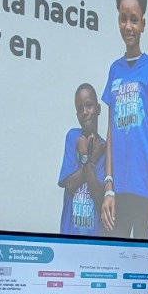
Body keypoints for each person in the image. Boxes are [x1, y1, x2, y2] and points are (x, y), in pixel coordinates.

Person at [99, 0, 148, 239]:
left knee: (142, 267)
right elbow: (110, 133)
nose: (128, 26)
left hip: (146, 189)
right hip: (118, 190)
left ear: (143, 24)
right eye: (122, 18)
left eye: (134, 19)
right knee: (113, 264)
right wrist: (108, 187)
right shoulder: (114, 70)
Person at [57, 83, 106, 236]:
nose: (85, 112)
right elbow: (70, 185)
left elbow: (99, 197)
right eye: (80, 109)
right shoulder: (73, 138)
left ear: (98, 109)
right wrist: (88, 158)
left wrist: (86, 157)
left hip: (95, 240)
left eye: (89, 105)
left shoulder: (105, 149)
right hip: (69, 236)